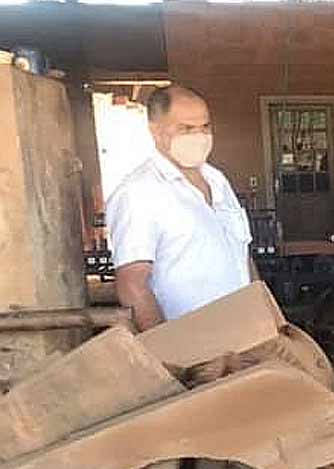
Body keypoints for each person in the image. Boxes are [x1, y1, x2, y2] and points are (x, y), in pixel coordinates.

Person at [106, 85, 257, 331]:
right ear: (156, 131)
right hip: (194, 347)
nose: (199, 136)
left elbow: (241, 255)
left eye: (205, 127)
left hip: (243, 334)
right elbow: (132, 284)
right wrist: (171, 354)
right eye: (186, 128)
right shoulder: (139, 193)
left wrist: (262, 315)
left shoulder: (217, 180)